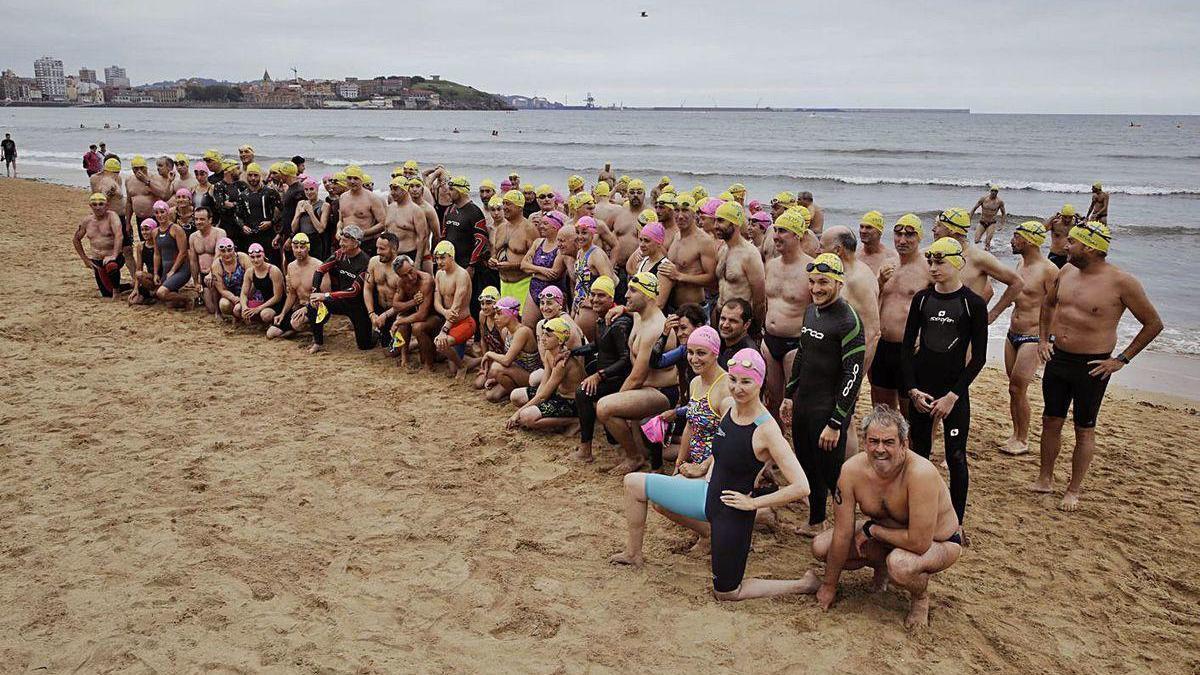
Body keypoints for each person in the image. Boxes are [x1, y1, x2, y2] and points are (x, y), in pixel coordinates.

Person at [1031, 221, 1162, 510]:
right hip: (1058, 357)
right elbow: (1048, 304)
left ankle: (1073, 489)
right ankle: (1045, 478)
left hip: (1092, 365)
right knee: (1051, 420)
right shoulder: (1066, 271)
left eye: (1072, 242)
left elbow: (1153, 323)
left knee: (1084, 428)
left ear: (1090, 247)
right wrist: (1043, 339)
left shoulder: (1122, 282)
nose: (1065, 246)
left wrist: (1121, 360)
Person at [801, 405, 963, 629]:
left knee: (900, 564)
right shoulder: (851, 471)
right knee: (821, 547)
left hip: (938, 543)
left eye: (888, 442)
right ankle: (881, 567)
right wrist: (829, 586)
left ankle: (920, 598)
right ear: (865, 441)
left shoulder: (920, 473)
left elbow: (919, 542)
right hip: (886, 537)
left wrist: (873, 531)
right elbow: (843, 531)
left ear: (903, 444)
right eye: (873, 441)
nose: (880, 449)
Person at [608, 326, 730, 566]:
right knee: (661, 498)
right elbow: (691, 426)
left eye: (702, 353)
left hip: (715, 470)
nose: (694, 359)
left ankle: (709, 533)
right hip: (695, 464)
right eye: (691, 352)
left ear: (715, 353)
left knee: (659, 500)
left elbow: (729, 439)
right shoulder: (696, 383)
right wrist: (680, 461)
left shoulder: (726, 388)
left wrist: (703, 467)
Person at [700, 348, 813, 600]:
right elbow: (727, 454)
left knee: (726, 592)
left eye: (746, 382)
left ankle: (804, 585)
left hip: (734, 514)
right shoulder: (729, 408)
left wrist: (753, 503)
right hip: (712, 506)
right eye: (733, 379)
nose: (737, 388)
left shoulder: (767, 429)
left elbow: (801, 486)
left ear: (760, 383)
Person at [901, 237, 987, 536]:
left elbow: (979, 358)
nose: (934, 268)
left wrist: (953, 396)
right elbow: (906, 349)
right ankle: (918, 513)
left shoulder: (972, 304)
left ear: (958, 264)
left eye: (941, 262)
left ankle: (956, 523)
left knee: (956, 457)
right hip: (922, 391)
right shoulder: (922, 300)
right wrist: (912, 390)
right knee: (919, 454)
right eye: (931, 262)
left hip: (953, 392)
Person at [781, 253, 867, 536]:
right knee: (807, 466)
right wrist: (788, 395)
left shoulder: (848, 321)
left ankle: (845, 527)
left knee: (833, 474)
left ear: (839, 283)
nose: (816, 288)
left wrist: (835, 422)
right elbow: (803, 356)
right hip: (804, 403)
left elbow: (852, 376)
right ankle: (816, 521)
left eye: (824, 282)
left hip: (828, 409)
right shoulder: (811, 312)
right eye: (813, 282)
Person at [596, 272, 679, 474]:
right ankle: (641, 452)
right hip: (644, 388)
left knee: (605, 407)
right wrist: (621, 309)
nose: (626, 295)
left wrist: (618, 398)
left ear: (649, 295)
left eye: (633, 291)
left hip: (660, 392)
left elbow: (637, 377)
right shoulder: (639, 315)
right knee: (655, 449)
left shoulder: (655, 329)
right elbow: (631, 310)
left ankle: (634, 457)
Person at [1001, 222, 1059, 456]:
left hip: (1033, 336)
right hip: (1012, 332)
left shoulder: (1049, 270)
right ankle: (1016, 433)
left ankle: (1023, 438)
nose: (1012, 240)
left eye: (1017, 236)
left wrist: (1049, 339)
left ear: (1030, 240)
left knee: (1018, 387)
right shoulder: (1020, 263)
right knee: (1013, 389)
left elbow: (1056, 306)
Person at [572, 276, 633, 462]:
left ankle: (586, 449)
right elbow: (597, 346)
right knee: (584, 392)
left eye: (601, 295)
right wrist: (572, 352)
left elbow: (625, 360)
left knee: (583, 392)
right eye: (593, 295)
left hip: (618, 380)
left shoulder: (620, 323)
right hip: (607, 378)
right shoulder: (602, 321)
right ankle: (587, 448)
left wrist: (599, 376)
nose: (595, 299)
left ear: (611, 298)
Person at [873, 215, 930, 410]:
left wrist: (925, 336)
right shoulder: (887, 264)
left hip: (910, 348)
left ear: (920, 237)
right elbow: (872, 299)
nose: (902, 240)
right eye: (898, 234)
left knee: (909, 411)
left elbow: (942, 305)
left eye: (909, 235)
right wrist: (879, 281)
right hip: (882, 345)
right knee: (881, 408)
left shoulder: (928, 269)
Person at [760, 208, 813, 415]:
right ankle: (776, 442)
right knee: (773, 400)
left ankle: (797, 444)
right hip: (770, 340)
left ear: (797, 235)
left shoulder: (811, 268)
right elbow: (765, 302)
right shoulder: (771, 265)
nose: (775, 236)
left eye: (782, 231)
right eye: (775, 230)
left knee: (796, 401)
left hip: (795, 343)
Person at [933, 207, 1024, 315]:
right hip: (936, 325)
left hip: (963, 329)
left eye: (938, 225)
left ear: (952, 230)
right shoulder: (933, 256)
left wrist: (989, 316)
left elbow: (1017, 282)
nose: (934, 229)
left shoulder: (978, 258)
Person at [820, 226, 881, 376]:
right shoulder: (840, 275)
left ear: (837, 250)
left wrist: (856, 377)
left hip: (846, 364)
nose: (817, 251)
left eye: (822, 247)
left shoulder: (858, 280)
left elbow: (872, 334)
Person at [507, 316, 585, 432]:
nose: (542, 338)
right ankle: (553, 420)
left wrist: (518, 413)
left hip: (572, 402)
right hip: (557, 394)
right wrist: (534, 404)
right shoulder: (549, 352)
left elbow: (544, 395)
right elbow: (544, 384)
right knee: (515, 396)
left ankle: (574, 421)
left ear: (559, 340)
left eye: (548, 335)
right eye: (542, 334)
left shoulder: (562, 363)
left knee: (526, 417)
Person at [307, 225, 374, 353]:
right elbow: (319, 270)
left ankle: (375, 332)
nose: (340, 243)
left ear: (356, 243)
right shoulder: (339, 254)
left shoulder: (366, 263)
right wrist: (315, 293)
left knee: (365, 345)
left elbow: (354, 291)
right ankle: (317, 342)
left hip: (358, 306)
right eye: (340, 240)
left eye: (345, 241)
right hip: (340, 301)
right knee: (313, 305)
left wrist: (326, 295)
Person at [442, 175, 492, 314]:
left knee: (468, 301)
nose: (448, 192)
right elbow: (444, 235)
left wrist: (471, 266)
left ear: (460, 191)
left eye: (451, 189)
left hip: (465, 265)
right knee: (449, 297)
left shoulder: (474, 212)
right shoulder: (450, 210)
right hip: (450, 264)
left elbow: (481, 240)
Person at [660, 192, 717, 312]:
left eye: (685, 210)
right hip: (672, 307)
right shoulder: (676, 237)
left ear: (695, 214)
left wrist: (680, 276)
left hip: (694, 308)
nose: (680, 216)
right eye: (676, 210)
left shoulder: (704, 241)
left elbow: (712, 279)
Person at [714, 201, 766, 327]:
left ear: (735, 223)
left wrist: (756, 328)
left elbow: (759, 300)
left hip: (739, 321)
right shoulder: (722, 249)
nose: (715, 226)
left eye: (721, 221)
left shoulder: (749, 254)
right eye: (715, 221)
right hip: (720, 316)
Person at [431, 240, 475, 376]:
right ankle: (467, 358)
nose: (439, 262)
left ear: (452, 256)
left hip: (464, 323)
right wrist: (445, 312)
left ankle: (463, 365)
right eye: (437, 258)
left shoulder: (461, 275)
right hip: (450, 323)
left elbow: (456, 309)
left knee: (441, 344)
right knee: (445, 361)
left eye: (442, 258)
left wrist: (444, 331)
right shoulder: (439, 274)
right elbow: (436, 302)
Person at [482, 296, 538, 398]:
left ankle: (523, 396)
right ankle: (514, 393)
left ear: (512, 314)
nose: (495, 317)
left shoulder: (522, 331)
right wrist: (495, 378)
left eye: (499, 313)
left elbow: (506, 360)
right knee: (491, 395)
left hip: (532, 376)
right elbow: (510, 359)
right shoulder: (505, 331)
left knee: (496, 368)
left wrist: (488, 354)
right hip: (518, 371)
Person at [520, 210, 568, 327]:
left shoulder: (560, 247)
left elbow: (555, 273)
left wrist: (533, 269)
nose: (541, 226)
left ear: (556, 227)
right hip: (534, 288)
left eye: (546, 224)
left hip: (554, 290)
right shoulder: (538, 242)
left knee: (553, 327)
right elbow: (523, 265)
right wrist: (543, 270)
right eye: (541, 223)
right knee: (527, 326)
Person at [571, 216, 616, 341]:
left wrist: (592, 300)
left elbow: (609, 281)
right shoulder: (580, 252)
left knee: (589, 348)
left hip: (591, 309)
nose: (580, 236)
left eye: (584, 233)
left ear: (593, 234)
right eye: (578, 233)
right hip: (579, 305)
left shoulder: (596, 254)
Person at [72, 193, 124, 299]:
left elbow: (119, 235)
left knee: (111, 265)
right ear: (90, 206)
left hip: (113, 258)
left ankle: (117, 291)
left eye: (101, 204)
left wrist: (114, 255)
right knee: (106, 293)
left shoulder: (112, 216)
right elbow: (76, 239)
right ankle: (129, 286)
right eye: (94, 205)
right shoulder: (87, 221)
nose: (98, 207)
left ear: (107, 205)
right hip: (97, 260)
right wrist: (85, 259)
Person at [387, 254, 436, 366]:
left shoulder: (426, 280)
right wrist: (413, 302)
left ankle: (429, 365)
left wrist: (398, 321)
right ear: (399, 276)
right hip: (416, 315)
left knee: (416, 327)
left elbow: (422, 315)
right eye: (404, 275)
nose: (410, 277)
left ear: (414, 266)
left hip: (433, 318)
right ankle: (404, 358)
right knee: (403, 320)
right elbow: (395, 305)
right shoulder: (401, 282)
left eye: (410, 271)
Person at [336, 166, 386, 257]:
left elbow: (383, 223)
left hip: (366, 243)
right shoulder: (343, 197)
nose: (352, 181)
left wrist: (362, 233)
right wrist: (338, 230)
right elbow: (341, 220)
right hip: (345, 243)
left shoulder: (372, 198)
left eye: (356, 178)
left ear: (361, 180)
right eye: (349, 178)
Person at [364, 232, 402, 350]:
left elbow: (403, 301)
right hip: (379, 310)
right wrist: (371, 314)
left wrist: (385, 316)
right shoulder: (374, 262)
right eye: (377, 247)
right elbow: (367, 289)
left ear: (394, 249)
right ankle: (378, 330)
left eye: (382, 248)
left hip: (396, 312)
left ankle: (414, 343)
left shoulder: (402, 267)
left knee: (391, 350)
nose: (378, 252)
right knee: (366, 343)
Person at [187, 206, 227, 311]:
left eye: (202, 219)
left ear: (210, 220)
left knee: (222, 307)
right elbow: (193, 261)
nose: (198, 222)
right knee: (211, 308)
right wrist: (196, 282)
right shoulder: (193, 237)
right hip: (204, 275)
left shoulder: (220, 233)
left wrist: (211, 273)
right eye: (196, 219)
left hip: (219, 273)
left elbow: (219, 255)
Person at [152, 202, 192, 308]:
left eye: (162, 212)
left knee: (161, 293)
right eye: (157, 213)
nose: (160, 215)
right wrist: (156, 273)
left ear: (167, 212)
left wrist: (173, 271)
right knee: (162, 297)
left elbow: (183, 252)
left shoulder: (176, 229)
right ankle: (179, 299)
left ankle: (187, 299)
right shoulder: (155, 232)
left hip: (181, 269)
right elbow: (157, 254)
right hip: (167, 269)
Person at [239, 243, 285, 327]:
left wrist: (258, 309)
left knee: (265, 315)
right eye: (252, 257)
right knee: (238, 308)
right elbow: (244, 293)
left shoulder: (273, 271)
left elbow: (278, 297)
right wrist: (244, 307)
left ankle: (270, 323)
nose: (256, 260)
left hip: (277, 304)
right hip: (264, 302)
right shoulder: (250, 272)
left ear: (263, 256)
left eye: (258, 256)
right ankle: (256, 323)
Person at [384, 177, 426, 260]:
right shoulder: (389, 208)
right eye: (391, 189)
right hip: (390, 255)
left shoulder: (416, 210)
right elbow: (386, 232)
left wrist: (418, 261)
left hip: (408, 255)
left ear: (405, 190)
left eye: (395, 189)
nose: (392, 192)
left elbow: (422, 238)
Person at [209, 237, 250, 320]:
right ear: (219, 252)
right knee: (224, 305)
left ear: (234, 249)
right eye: (223, 251)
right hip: (230, 294)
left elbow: (252, 280)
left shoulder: (243, 258)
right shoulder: (216, 265)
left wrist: (243, 299)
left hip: (248, 292)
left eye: (229, 250)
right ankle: (235, 315)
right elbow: (222, 289)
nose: (226, 254)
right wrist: (234, 299)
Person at [289, 178, 329, 260]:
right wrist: (298, 214)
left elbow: (321, 229)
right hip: (302, 239)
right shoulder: (301, 203)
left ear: (317, 190)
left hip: (316, 241)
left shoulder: (324, 206)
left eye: (311, 189)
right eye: (306, 189)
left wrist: (311, 212)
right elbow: (293, 229)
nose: (309, 192)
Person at [717, 299, 757, 369]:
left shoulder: (748, 356)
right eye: (723, 319)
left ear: (747, 324)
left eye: (732, 321)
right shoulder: (718, 342)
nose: (725, 325)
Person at [857, 211, 899, 276]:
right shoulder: (855, 255)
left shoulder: (890, 256)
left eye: (869, 227)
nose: (863, 231)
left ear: (879, 231)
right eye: (861, 227)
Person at [969, 184, 1006, 249]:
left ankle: (987, 253)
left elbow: (1003, 213)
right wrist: (969, 219)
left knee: (988, 242)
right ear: (990, 191)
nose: (994, 192)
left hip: (991, 223)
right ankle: (981, 248)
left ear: (997, 192)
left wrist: (1002, 224)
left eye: (995, 191)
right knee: (976, 240)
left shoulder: (999, 202)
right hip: (982, 222)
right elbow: (974, 209)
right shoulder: (983, 199)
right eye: (992, 191)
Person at [1043, 204, 1078, 269]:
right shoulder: (1055, 223)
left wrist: (1081, 219)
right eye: (1065, 217)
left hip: (1069, 257)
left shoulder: (1075, 225)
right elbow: (1042, 230)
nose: (1067, 220)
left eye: (1070, 217)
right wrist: (1052, 218)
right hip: (1055, 255)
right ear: (1061, 215)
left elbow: (1087, 235)